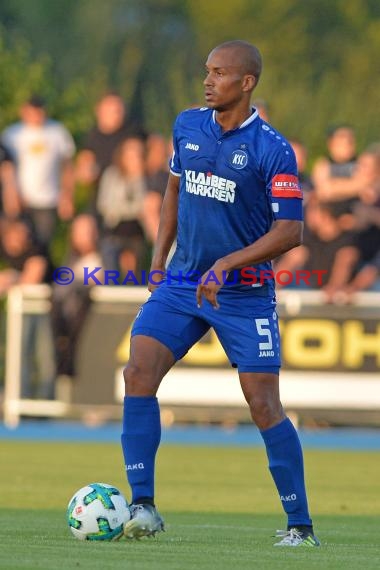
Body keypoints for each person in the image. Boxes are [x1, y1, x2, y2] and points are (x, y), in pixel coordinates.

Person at [121, 40, 319, 547]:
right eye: (206, 71)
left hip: (244, 294)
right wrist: (158, 260)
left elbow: (291, 232)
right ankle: (142, 506)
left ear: (247, 82)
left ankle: (301, 526)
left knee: (263, 404)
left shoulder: (272, 149)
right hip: (184, 282)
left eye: (219, 73)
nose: (208, 81)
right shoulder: (187, 125)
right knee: (138, 370)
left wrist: (229, 263)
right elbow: (173, 191)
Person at [2, 96, 75, 248]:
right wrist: (11, 195)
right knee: (19, 244)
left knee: (43, 244)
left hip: (48, 199)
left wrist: (66, 195)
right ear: (24, 111)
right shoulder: (11, 134)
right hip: (20, 200)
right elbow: (6, 169)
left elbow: (67, 166)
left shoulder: (57, 132)